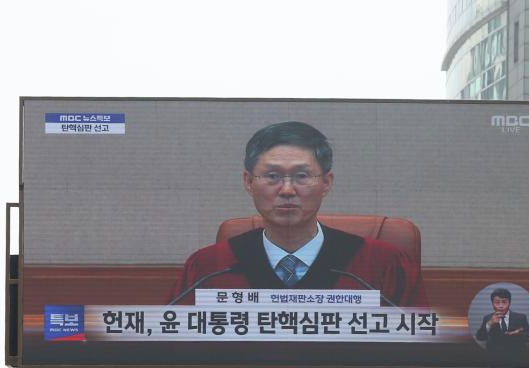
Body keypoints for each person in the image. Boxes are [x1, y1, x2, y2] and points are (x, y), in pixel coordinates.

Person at [168, 121, 428, 308]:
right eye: (272, 176)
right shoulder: (208, 267)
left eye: (302, 176)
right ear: (248, 182)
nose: (287, 190)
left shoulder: (384, 265)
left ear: (326, 183)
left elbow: (420, 348)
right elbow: (174, 346)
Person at [475, 288, 529, 354]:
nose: (501, 306)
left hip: (516, 353)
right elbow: (480, 337)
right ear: (492, 303)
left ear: (509, 303)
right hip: (494, 354)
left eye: (504, 302)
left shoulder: (521, 318)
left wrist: (517, 335)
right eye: (497, 302)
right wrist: (489, 324)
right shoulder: (488, 318)